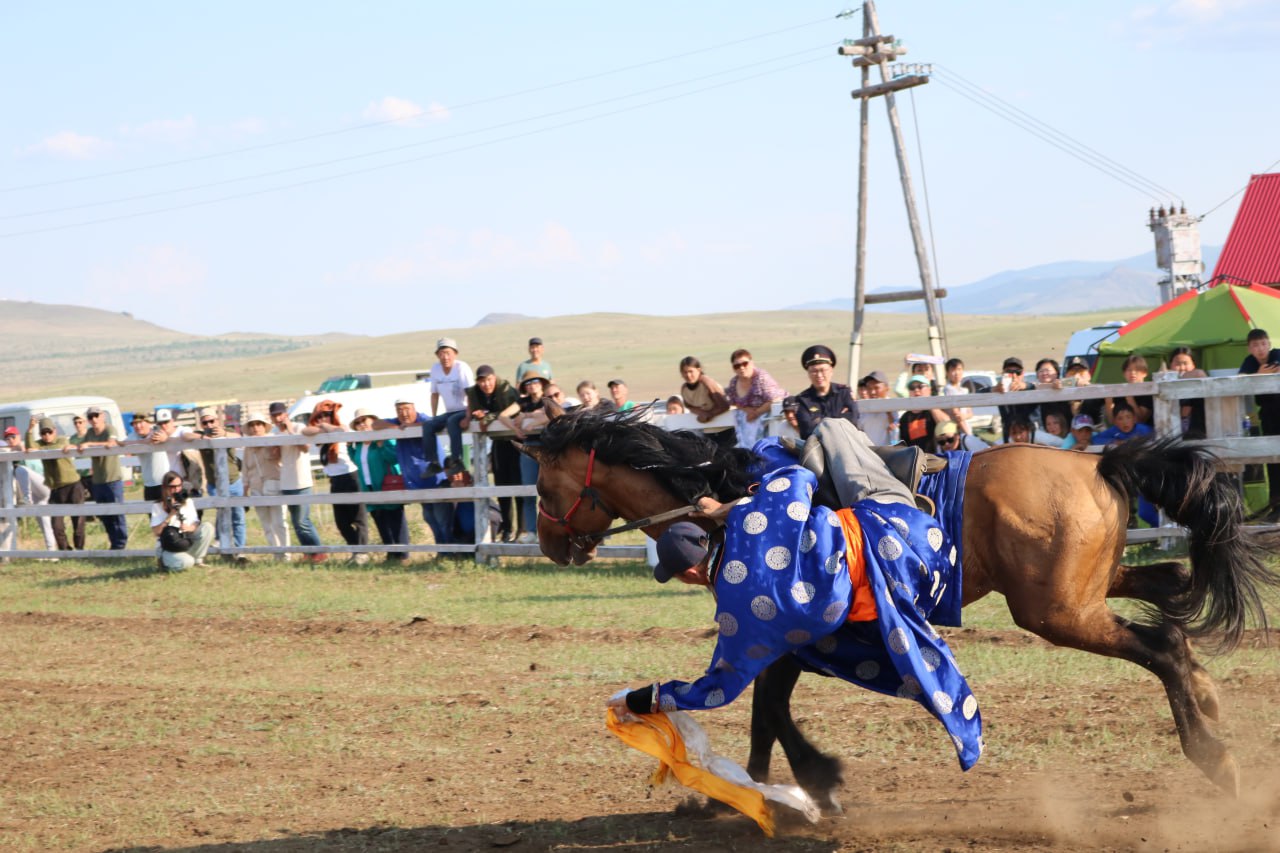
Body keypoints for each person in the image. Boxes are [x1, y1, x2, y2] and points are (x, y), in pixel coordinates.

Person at [609, 427, 982, 772]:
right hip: (913, 531)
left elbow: (715, 689)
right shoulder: (749, 517)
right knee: (833, 429)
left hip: (895, 579)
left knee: (815, 647)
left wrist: (641, 699)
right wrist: (732, 508)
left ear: (689, 573)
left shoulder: (738, 617)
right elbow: (801, 476)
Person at [303, 400, 369, 564]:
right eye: (320, 415)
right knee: (341, 522)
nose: (323, 418)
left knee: (358, 518)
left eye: (327, 415)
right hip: (335, 480)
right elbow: (305, 430)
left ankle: (362, 553)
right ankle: (356, 550)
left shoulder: (340, 428)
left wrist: (326, 426)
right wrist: (322, 427)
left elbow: (341, 429)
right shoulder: (319, 433)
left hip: (350, 475)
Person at [465, 365, 521, 542]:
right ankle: (507, 529)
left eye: (488, 379)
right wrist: (479, 416)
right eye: (482, 381)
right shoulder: (476, 394)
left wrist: (486, 417)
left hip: (516, 442)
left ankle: (523, 529)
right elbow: (476, 415)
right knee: (502, 487)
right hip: (498, 443)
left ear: (494, 378)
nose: (486, 384)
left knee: (519, 486)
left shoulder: (505, 389)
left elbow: (510, 411)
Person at [181, 407, 247, 557]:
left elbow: (238, 436)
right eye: (205, 423)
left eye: (212, 421)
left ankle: (240, 549)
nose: (209, 425)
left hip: (233, 481)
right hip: (214, 483)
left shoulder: (227, 430)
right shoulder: (201, 435)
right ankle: (223, 545)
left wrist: (224, 434)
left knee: (238, 516)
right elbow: (185, 436)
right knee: (222, 513)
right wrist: (202, 437)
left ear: (217, 420)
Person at [349, 408, 408, 561]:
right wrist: (349, 447)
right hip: (368, 486)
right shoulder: (360, 444)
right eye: (358, 422)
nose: (361, 424)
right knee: (380, 520)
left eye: (364, 420)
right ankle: (390, 552)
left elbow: (393, 458)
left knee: (395, 519)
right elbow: (356, 461)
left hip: (387, 484)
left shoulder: (384, 437)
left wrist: (382, 445)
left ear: (373, 421)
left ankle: (402, 554)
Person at [269, 401, 325, 562]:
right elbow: (275, 457)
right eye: (275, 416)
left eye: (280, 414)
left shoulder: (298, 427)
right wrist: (275, 449)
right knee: (296, 521)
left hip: (301, 480)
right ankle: (309, 552)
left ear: (286, 414)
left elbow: (305, 448)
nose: (278, 418)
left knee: (302, 521)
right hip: (286, 480)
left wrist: (290, 430)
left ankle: (318, 551)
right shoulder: (274, 432)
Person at [26, 417, 85, 551]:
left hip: (73, 484)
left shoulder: (62, 439)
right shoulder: (40, 444)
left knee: (78, 521)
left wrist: (39, 449)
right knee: (56, 524)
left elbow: (58, 449)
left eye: (49, 432)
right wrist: (30, 429)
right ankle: (65, 550)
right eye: (43, 433)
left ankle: (80, 550)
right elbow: (30, 446)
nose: (47, 436)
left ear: (55, 431)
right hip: (56, 488)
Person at [74, 406, 129, 550]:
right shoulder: (90, 432)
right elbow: (81, 445)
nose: (94, 419)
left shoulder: (110, 429)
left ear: (102, 416)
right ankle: (114, 544)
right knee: (104, 515)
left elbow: (111, 443)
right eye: (91, 417)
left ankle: (120, 544)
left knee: (117, 514)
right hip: (97, 480)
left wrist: (90, 444)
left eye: (96, 416)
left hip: (112, 479)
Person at [1239, 328, 1280, 517]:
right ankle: (1276, 507)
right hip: (1269, 415)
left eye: (1263, 343)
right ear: (1249, 349)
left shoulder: (1277, 354)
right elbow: (1240, 380)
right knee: (1273, 461)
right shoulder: (1249, 362)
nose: (1260, 349)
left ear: (1269, 345)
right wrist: (1258, 375)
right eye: (1255, 345)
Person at [241, 412, 291, 561]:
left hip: (273, 484)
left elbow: (279, 456)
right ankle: (276, 553)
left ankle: (286, 553)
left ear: (264, 426)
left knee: (279, 522)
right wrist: (245, 491)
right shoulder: (247, 448)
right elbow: (245, 470)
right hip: (256, 487)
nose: (255, 428)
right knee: (266, 525)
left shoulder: (272, 441)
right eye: (252, 425)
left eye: (258, 424)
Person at [1, 427, 57, 557]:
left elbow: (24, 448)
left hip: (41, 484)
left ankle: (26, 498)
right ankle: (52, 553)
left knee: (20, 469)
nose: (10, 440)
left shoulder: (22, 446)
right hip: (35, 490)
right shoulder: (8, 452)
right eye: (7, 438)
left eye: (13, 437)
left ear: (18, 437)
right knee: (44, 522)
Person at [513, 366, 553, 543]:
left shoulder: (548, 400)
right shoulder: (522, 403)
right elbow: (502, 416)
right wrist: (515, 427)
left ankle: (551, 530)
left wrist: (529, 419)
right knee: (528, 490)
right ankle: (531, 531)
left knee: (550, 490)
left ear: (542, 384)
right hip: (528, 446)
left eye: (535, 382)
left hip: (547, 447)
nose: (531, 385)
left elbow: (552, 414)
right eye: (527, 383)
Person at [426, 337, 475, 476]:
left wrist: (468, 415)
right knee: (428, 425)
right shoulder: (435, 369)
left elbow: (470, 394)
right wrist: (434, 416)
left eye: (448, 352)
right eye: (441, 353)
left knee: (452, 422)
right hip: (449, 411)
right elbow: (434, 394)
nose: (445, 357)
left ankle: (456, 460)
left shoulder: (462, 368)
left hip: (464, 409)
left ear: (455, 354)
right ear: (437, 355)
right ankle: (433, 463)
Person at [150, 471, 214, 572]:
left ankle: (197, 560)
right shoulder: (157, 506)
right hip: (169, 546)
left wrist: (190, 528)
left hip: (187, 539)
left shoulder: (188, 501)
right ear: (165, 487)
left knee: (207, 527)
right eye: (172, 487)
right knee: (186, 563)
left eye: (179, 486)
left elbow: (196, 521)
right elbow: (156, 532)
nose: (176, 489)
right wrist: (170, 515)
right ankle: (165, 562)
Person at [793, 345, 858, 441]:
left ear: (831, 371)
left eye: (823, 370)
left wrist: (819, 421)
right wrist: (837, 419)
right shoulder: (802, 400)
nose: (819, 375)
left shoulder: (844, 393)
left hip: (847, 441)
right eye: (814, 371)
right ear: (808, 373)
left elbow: (852, 421)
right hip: (818, 447)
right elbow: (806, 431)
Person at [724, 349, 786, 449]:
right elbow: (734, 402)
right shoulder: (734, 382)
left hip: (770, 416)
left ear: (752, 363)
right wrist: (747, 410)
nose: (742, 368)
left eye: (745, 363)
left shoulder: (761, 377)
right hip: (748, 422)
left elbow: (774, 399)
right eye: (737, 366)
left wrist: (756, 413)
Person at [125, 413, 172, 502]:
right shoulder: (132, 436)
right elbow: (125, 449)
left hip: (164, 482)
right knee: (152, 513)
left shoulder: (156, 431)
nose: (138, 426)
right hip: (148, 484)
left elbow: (153, 440)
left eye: (141, 423)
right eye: (135, 424)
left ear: (148, 423)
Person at [898, 376, 952, 452]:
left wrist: (929, 402)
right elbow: (903, 444)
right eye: (912, 387)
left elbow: (947, 426)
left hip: (934, 458)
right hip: (914, 460)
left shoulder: (934, 411)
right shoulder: (904, 417)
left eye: (920, 386)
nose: (916, 390)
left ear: (929, 390)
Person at [992, 357, 1039, 443]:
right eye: (1009, 372)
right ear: (1003, 374)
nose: (1014, 375)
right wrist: (994, 389)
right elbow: (979, 392)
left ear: (1023, 374)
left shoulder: (1030, 387)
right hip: (1010, 436)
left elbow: (1037, 387)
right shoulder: (999, 390)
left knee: (1059, 445)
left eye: (1018, 372)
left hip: (1034, 433)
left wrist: (1025, 386)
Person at [678, 355, 731, 429]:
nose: (688, 375)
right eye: (685, 372)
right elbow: (689, 406)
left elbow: (724, 405)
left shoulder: (707, 383)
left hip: (724, 427)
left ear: (698, 370)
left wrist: (709, 414)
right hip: (706, 429)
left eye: (691, 371)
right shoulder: (684, 389)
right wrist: (700, 413)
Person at [1106, 354, 1153, 426]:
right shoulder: (1119, 393)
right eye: (1129, 370)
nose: (1132, 373)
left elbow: (1141, 420)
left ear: (1144, 373)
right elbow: (1112, 422)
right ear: (1124, 374)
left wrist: (1130, 399)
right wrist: (1109, 403)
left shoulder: (1149, 393)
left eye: (1137, 370)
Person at [857, 370, 897, 446]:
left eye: (876, 388)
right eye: (869, 388)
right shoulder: (863, 408)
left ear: (887, 388)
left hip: (887, 454)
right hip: (867, 453)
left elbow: (896, 432)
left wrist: (889, 414)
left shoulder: (895, 407)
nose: (872, 392)